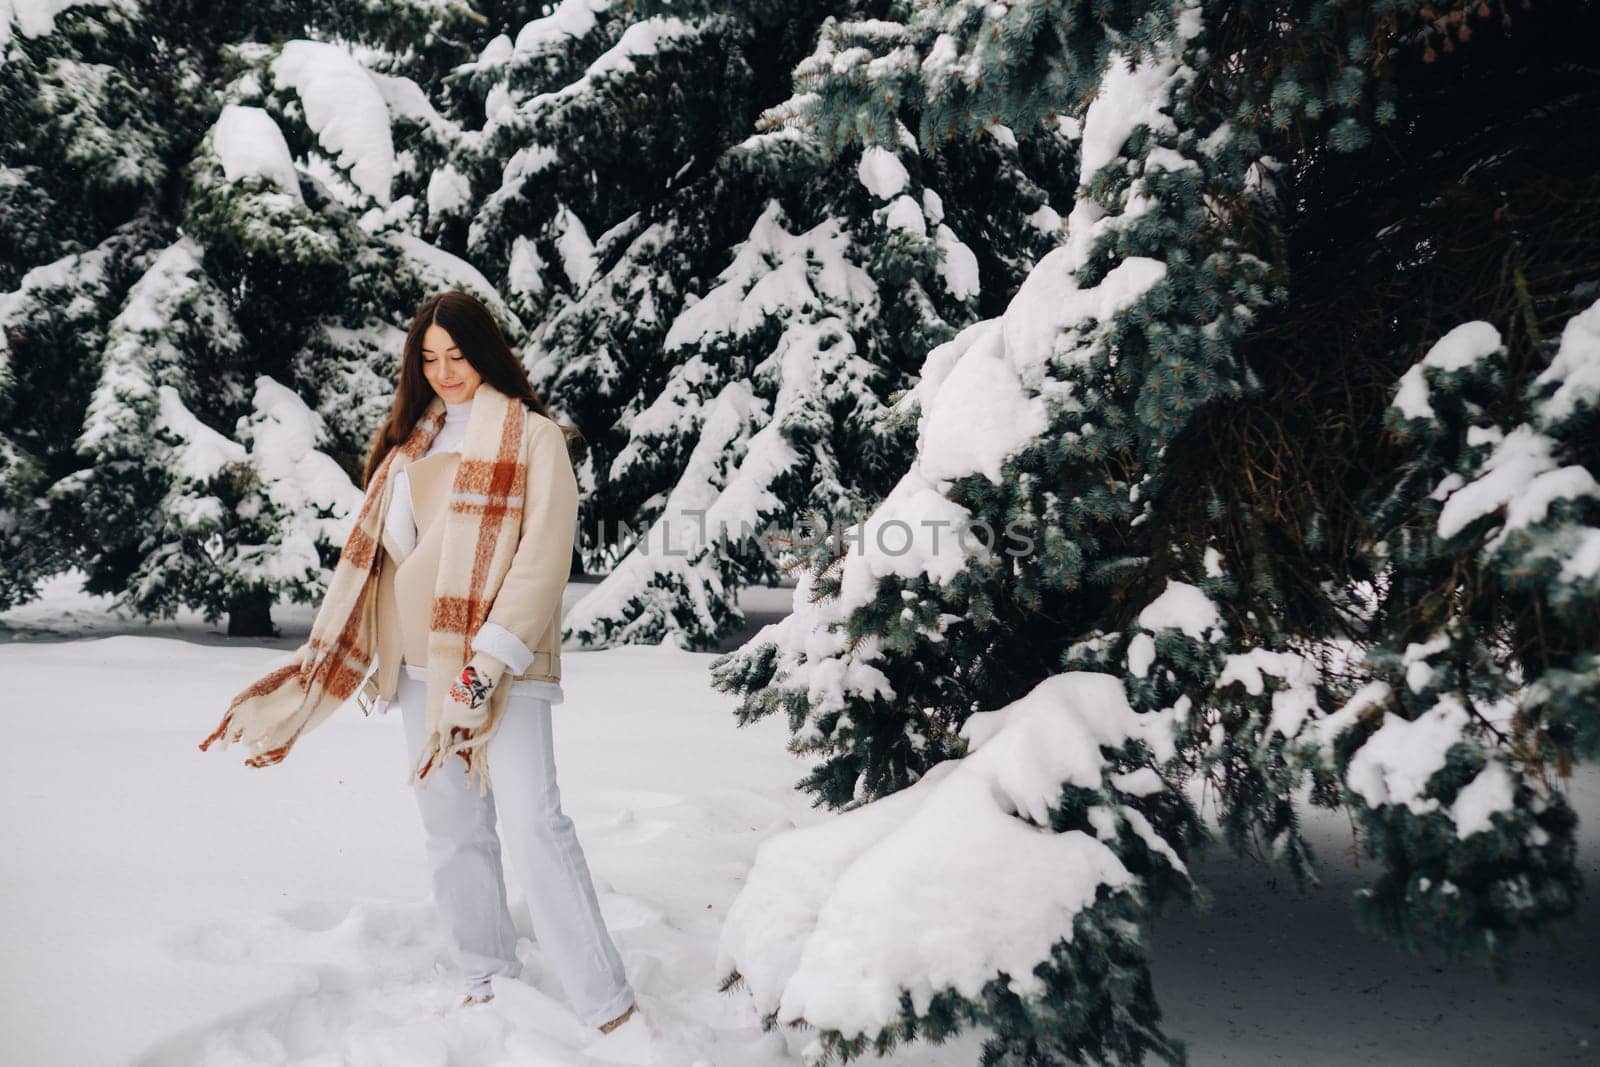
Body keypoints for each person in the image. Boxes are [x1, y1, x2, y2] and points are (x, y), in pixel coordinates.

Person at [201, 289, 639, 1035]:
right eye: (429, 359)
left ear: (486, 352)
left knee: (536, 820)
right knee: (452, 824)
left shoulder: (535, 438)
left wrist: (488, 659)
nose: (444, 372)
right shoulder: (411, 447)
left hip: (503, 658)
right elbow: (391, 560)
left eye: (457, 356)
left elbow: (542, 559)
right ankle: (485, 969)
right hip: (419, 665)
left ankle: (604, 999)